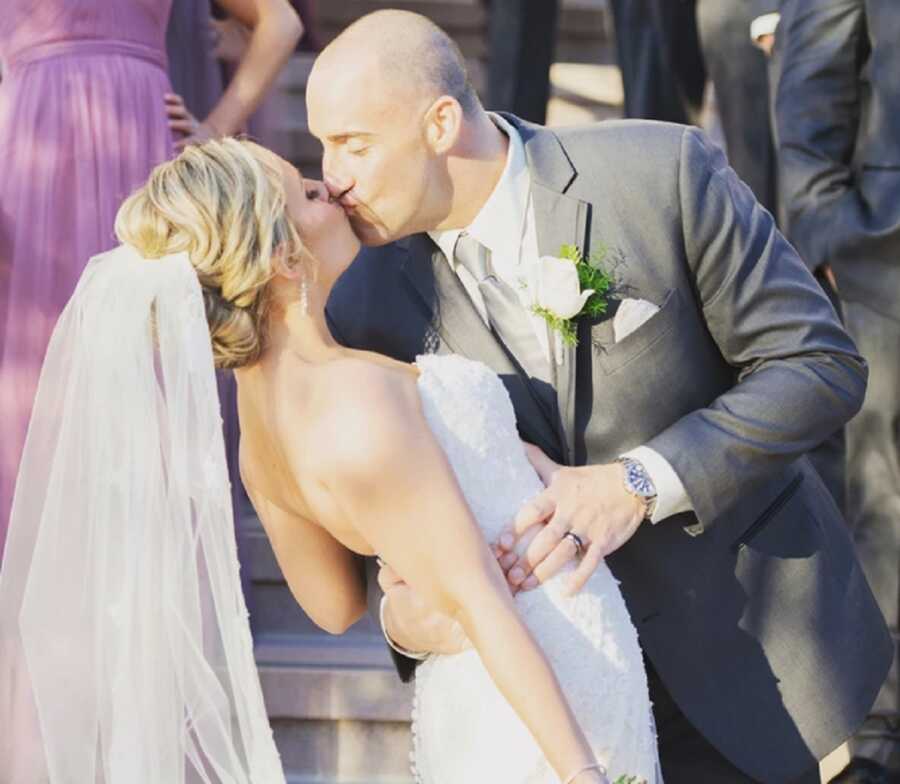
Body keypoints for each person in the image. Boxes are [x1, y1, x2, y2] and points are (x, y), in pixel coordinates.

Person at [313, 10, 893, 783]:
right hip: (551, 712)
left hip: (748, 662)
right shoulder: (360, 309)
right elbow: (371, 550)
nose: (332, 176)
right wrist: (405, 622)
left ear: (441, 122)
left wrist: (639, 481)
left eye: (352, 143)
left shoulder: (659, 173)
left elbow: (819, 363)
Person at [0, 137, 660, 782]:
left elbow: (333, 604)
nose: (333, 192)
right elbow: (479, 600)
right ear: (284, 258)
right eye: (308, 192)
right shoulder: (355, 401)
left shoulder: (258, 443)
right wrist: (581, 771)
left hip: (488, 683)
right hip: (545, 685)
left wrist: (405, 586)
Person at [0, 0, 175, 563]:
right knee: (33, 362)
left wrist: (216, 128)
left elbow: (279, 22)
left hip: (142, 143)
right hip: (31, 142)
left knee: (142, 356)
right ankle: (33, 576)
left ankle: (139, 579)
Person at [775, 0, 900, 779]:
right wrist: (824, 223)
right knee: (886, 489)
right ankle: (884, 732)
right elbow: (814, 61)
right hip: (888, 246)